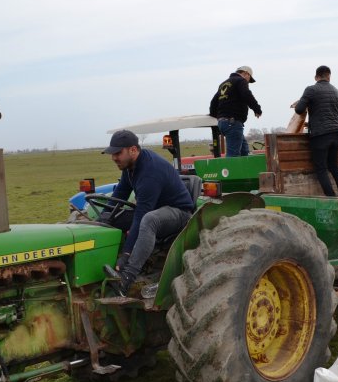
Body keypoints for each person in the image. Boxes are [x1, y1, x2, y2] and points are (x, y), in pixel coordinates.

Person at [101, 130, 195, 295]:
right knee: (113, 217)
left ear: (133, 150)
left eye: (117, 153)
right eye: (112, 153)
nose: (113, 158)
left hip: (178, 213)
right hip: (155, 210)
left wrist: (126, 253)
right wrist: (104, 218)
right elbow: (119, 194)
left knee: (148, 220)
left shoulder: (150, 171)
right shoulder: (130, 167)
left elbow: (142, 214)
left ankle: (127, 278)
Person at [292, 65, 338, 197]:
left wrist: (302, 102)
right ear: (329, 76)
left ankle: (331, 198)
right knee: (334, 166)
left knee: (321, 168)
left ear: (316, 77)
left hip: (320, 135)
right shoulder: (336, 91)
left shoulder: (311, 89)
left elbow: (299, 109)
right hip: (336, 133)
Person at [209, 66, 262, 157]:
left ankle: (246, 170)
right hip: (232, 122)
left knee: (244, 151)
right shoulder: (240, 81)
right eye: (249, 79)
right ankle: (229, 170)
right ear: (246, 74)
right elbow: (246, 95)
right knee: (233, 155)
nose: (248, 82)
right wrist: (257, 109)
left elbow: (213, 102)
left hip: (223, 123)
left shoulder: (223, 84)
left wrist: (218, 116)